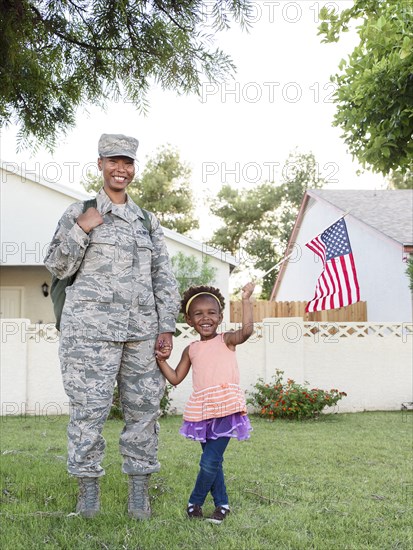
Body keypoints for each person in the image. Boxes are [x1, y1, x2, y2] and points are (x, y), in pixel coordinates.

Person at [44, 133, 180, 519]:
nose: (121, 169)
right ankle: (88, 495)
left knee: (144, 412)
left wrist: (165, 326)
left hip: (140, 333)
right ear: (100, 164)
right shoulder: (79, 212)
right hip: (89, 336)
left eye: (128, 163)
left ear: (134, 168)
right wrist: (83, 229)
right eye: (113, 161)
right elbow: (57, 267)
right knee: (88, 412)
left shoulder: (146, 222)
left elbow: (163, 277)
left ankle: (139, 494)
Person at [155, 282, 255, 523]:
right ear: (189, 320)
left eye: (211, 312)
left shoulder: (227, 340)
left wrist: (246, 300)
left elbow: (248, 331)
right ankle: (222, 504)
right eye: (198, 314)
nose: (205, 318)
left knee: (209, 461)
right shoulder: (191, 349)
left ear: (220, 317)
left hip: (226, 410)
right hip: (202, 413)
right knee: (215, 463)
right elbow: (176, 377)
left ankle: (195, 501)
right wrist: (160, 360)